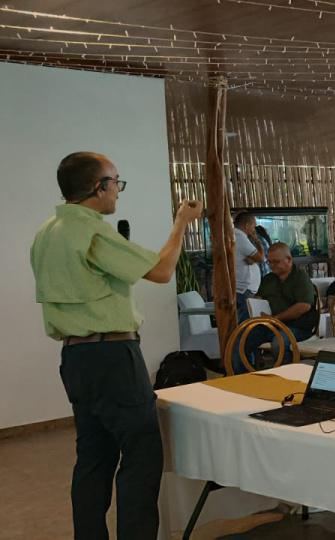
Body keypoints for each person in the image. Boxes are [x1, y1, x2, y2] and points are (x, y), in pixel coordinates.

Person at [32, 152, 202, 539]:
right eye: (116, 182)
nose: (118, 192)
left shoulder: (47, 232)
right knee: (141, 453)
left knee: (93, 458)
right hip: (111, 356)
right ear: (99, 187)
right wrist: (181, 223)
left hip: (75, 357)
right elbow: (161, 271)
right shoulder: (92, 231)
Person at [244, 243, 320, 367]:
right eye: (269, 262)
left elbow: (304, 306)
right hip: (271, 325)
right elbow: (259, 298)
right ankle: (242, 374)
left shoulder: (300, 277)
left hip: (298, 327)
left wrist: (276, 318)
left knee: (279, 342)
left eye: (276, 262)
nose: (272, 265)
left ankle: (287, 377)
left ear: (289, 259)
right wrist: (254, 306)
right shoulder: (268, 279)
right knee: (242, 336)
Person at [233, 211, 265, 321]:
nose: (254, 229)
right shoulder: (239, 237)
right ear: (246, 225)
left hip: (242, 288)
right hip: (243, 289)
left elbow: (254, 258)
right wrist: (257, 241)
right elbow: (261, 258)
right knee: (245, 324)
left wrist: (253, 259)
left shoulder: (236, 236)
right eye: (253, 226)